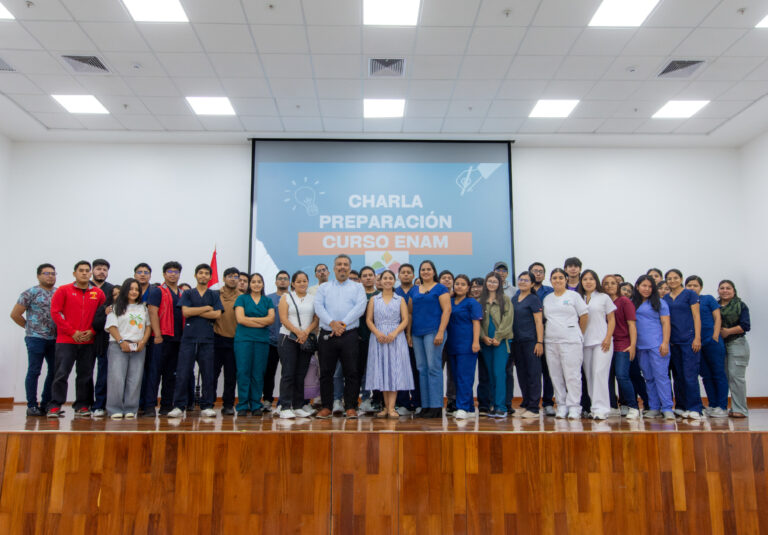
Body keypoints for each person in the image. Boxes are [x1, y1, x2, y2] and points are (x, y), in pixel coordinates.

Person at [47, 261, 106, 418]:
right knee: (61, 373)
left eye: (87, 271)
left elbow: (102, 316)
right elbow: (55, 313)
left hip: (88, 341)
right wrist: (72, 332)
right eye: (81, 270)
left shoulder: (99, 294)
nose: (85, 273)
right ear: (75, 273)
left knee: (85, 375)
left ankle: (82, 405)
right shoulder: (63, 290)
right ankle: (55, 405)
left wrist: (92, 331)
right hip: (66, 340)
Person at [314, 254, 367, 419]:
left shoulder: (358, 287)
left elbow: (360, 307)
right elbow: (318, 307)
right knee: (326, 373)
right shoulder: (324, 288)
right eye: (339, 264)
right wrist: (332, 323)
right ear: (334, 268)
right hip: (327, 333)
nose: (342, 267)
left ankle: (351, 406)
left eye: (345, 264)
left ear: (349, 268)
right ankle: (327, 406)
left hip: (349, 334)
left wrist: (342, 324)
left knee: (352, 372)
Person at [168, 264, 223, 418]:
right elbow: (186, 312)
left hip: (207, 339)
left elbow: (217, 315)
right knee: (183, 373)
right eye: (200, 273)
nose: (203, 275)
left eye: (206, 273)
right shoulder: (188, 293)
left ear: (210, 277)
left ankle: (206, 405)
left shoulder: (213, 294)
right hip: (189, 339)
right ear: (195, 275)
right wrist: (206, 308)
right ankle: (179, 405)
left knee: (208, 373)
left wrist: (196, 312)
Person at [11, 263, 58, 416]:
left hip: (55, 338)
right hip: (35, 338)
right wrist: (29, 327)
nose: (50, 276)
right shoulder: (30, 293)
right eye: (46, 273)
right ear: (38, 276)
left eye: (53, 273)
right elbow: (15, 315)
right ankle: (32, 405)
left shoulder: (59, 293)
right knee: (34, 371)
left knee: (54, 371)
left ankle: (46, 404)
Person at [365, 270, 413, 418]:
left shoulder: (400, 300)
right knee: (383, 371)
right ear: (380, 280)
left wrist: (394, 333)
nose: (387, 280)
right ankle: (386, 408)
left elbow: (405, 320)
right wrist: (378, 333)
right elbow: (368, 319)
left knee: (394, 372)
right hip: (378, 338)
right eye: (384, 278)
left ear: (394, 280)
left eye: (390, 278)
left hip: (396, 338)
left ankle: (392, 408)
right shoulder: (374, 299)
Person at [542, 268, 588, 420]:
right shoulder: (547, 298)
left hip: (571, 341)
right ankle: (561, 405)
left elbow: (584, 316)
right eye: (554, 278)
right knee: (555, 375)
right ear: (550, 280)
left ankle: (574, 406)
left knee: (572, 375)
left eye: (561, 277)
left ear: (566, 279)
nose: (558, 280)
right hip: (551, 341)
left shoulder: (574, 296)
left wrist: (578, 333)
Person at [407, 260, 451, 419]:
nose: (425, 271)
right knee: (422, 369)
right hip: (417, 333)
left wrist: (441, 331)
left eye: (428, 269)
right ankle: (425, 406)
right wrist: (408, 333)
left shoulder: (440, 288)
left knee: (433, 368)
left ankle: (436, 406)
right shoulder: (414, 290)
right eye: (422, 269)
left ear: (434, 271)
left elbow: (447, 310)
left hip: (434, 332)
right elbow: (410, 313)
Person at [104, 278, 151, 419]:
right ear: (125, 290)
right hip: (118, 346)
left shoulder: (143, 307)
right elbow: (112, 326)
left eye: (137, 289)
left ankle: (131, 408)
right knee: (116, 378)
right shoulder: (115, 307)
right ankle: (114, 409)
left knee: (135, 379)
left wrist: (143, 342)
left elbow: (148, 326)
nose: (134, 292)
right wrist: (121, 341)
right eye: (131, 289)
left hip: (138, 347)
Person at [277, 271, 319, 419]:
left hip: (305, 339)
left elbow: (316, 319)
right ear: (293, 284)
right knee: (288, 373)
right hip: (288, 338)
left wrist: (305, 332)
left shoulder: (313, 298)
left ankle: (298, 406)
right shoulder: (286, 297)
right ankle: (285, 407)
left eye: (305, 281)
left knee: (301, 374)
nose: (302, 283)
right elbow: (283, 318)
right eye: (299, 281)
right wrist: (297, 332)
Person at [685, 275, 728, 418]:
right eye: (689, 285)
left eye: (695, 285)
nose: (692, 288)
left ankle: (722, 406)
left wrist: (715, 336)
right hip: (696, 344)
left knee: (718, 373)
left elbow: (717, 317)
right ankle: (713, 404)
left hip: (712, 341)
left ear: (700, 287)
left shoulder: (708, 299)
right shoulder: (686, 301)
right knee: (706, 375)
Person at [632, 275, 674, 420]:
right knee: (649, 378)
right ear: (637, 286)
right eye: (644, 286)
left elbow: (666, 323)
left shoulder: (660, 303)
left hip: (657, 345)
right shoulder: (633, 303)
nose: (647, 289)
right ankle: (654, 407)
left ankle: (667, 407)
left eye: (650, 287)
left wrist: (665, 342)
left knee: (661, 376)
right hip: (640, 346)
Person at [663, 269, 702, 420]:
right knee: (678, 375)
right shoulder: (665, 298)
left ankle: (695, 408)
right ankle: (680, 406)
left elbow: (696, 316)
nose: (672, 280)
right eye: (669, 278)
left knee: (689, 375)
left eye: (675, 278)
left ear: (681, 279)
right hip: (673, 342)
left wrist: (697, 338)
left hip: (689, 341)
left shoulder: (690, 294)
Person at [233, 273, 275, 416]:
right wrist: (260, 321)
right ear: (249, 284)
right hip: (243, 340)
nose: (256, 284)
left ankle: (256, 404)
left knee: (258, 373)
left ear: (263, 284)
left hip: (261, 341)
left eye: (259, 282)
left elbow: (270, 320)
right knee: (243, 372)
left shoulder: (267, 301)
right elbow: (240, 319)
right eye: (254, 282)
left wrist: (250, 320)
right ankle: (243, 405)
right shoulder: (241, 298)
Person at [577, 270, 616, 420]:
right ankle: (595, 407)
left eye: (591, 279)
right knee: (590, 376)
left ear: (596, 281)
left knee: (600, 373)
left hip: (602, 342)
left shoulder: (603, 297)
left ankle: (602, 409)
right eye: (585, 279)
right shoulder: (578, 298)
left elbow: (611, 319)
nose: (588, 282)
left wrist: (608, 337)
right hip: (584, 343)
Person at [602, 275, 642, 420]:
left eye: (613, 283)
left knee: (622, 375)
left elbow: (632, 325)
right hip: (606, 344)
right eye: (606, 284)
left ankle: (633, 406)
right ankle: (612, 406)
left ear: (617, 285)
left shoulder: (624, 301)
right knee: (607, 376)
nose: (609, 286)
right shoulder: (603, 301)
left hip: (623, 344)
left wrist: (632, 345)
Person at [445, 275, 482, 419]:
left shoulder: (472, 303)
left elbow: (476, 323)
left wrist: (475, 342)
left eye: (463, 284)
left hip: (467, 345)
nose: (459, 286)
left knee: (464, 377)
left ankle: (463, 407)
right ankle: (471, 408)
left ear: (468, 288)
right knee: (455, 377)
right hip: (452, 344)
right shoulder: (450, 301)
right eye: (457, 284)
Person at [479, 271, 513, 418]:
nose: (492, 284)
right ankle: (493, 405)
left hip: (501, 341)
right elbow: (476, 322)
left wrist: (498, 336)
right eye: (489, 281)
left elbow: (508, 320)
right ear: (486, 283)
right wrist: (484, 337)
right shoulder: (480, 301)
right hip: (486, 342)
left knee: (499, 373)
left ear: (499, 284)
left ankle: (501, 407)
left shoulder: (505, 299)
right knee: (491, 375)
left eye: (495, 282)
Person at [153, 261, 184, 416]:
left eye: (176, 271)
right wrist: (157, 334)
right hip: (162, 338)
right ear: (164, 274)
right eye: (170, 271)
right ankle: (149, 406)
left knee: (171, 374)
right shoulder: (157, 291)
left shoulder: (182, 293)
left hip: (178, 339)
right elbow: (152, 313)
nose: (173, 274)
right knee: (155, 373)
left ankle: (166, 405)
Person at [512, 271, 544, 419]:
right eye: (521, 279)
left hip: (531, 341)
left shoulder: (533, 299)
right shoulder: (514, 299)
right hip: (516, 342)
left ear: (532, 284)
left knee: (533, 373)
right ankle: (526, 403)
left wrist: (539, 342)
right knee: (522, 374)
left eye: (526, 280)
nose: (522, 282)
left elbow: (539, 322)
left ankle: (534, 407)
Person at [718, 280, 751, 418]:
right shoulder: (715, 305)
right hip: (720, 345)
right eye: (722, 288)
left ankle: (740, 409)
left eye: (728, 288)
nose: (725, 290)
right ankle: (722, 408)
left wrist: (727, 331)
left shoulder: (740, 305)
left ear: (734, 290)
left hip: (736, 343)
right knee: (723, 377)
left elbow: (745, 326)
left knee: (736, 377)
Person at [133, 263, 163, 417]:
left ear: (150, 275)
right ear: (134, 275)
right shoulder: (130, 291)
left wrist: (157, 334)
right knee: (135, 373)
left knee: (151, 372)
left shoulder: (154, 291)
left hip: (150, 337)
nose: (142, 275)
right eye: (139, 272)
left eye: (146, 272)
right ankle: (134, 404)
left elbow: (155, 313)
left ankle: (148, 405)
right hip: (132, 336)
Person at [213, 267, 241, 416]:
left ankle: (228, 404)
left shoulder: (242, 297)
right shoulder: (215, 295)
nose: (233, 279)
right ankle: (208, 403)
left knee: (231, 376)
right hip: (217, 339)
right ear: (224, 278)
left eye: (235, 276)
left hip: (235, 341)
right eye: (229, 276)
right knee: (212, 374)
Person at [529, 262, 555, 416]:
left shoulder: (550, 292)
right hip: (529, 337)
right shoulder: (522, 292)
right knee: (532, 373)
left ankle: (548, 403)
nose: (538, 274)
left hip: (548, 336)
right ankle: (532, 403)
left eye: (540, 271)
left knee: (548, 371)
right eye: (535, 271)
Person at [394, 263, 420, 415]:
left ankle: (417, 402)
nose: (405, 275)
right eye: (403, 272)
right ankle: (403, 403)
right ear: (398, 275)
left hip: (415, 336)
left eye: (408, 272)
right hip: (397, 337)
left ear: (413, 275)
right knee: (400, 370)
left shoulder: (418, 291)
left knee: (416, 369)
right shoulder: (394, 292)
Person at [89, 259, 114, 418]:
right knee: (85, 373)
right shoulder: (85, 287)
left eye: (104, 269)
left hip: (104, 337)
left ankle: (100, 404)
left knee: (103, 373)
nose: (101, 272)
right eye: (98, 269)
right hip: (83, 336)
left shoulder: (111, 290)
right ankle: (84, 404)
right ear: (92, 271)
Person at [265, 270, 291, 412]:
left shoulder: (293, 298)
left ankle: (283, 401)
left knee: (287, 373)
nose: (282, 281)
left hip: (288, 342)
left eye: (285, 279)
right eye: (280, 279)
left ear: (289, 282)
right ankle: (268, 400)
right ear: (275, 282)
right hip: (270, 342)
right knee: (269, 372)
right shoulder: (268, 299)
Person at [358, 266, 381, 414]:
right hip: (359, 338)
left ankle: (378, 400)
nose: (367, 277)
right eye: (364, 275)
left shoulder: (380, 294)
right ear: (360, 279)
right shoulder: (357, 295)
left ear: (374, 277)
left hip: (378, 338)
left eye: (370, 275)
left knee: (377, 370)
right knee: (361, 370)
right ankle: (364, 399)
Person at [438, 269, 457, 413]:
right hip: (439, 338)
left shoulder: (459, 297)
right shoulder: (437, 296)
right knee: (437, 370)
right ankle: (436, 400)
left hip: (455, 339)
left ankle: (452, 400)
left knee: (454, 371)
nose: (447, 280)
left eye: (449, 278)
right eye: (444, 278)